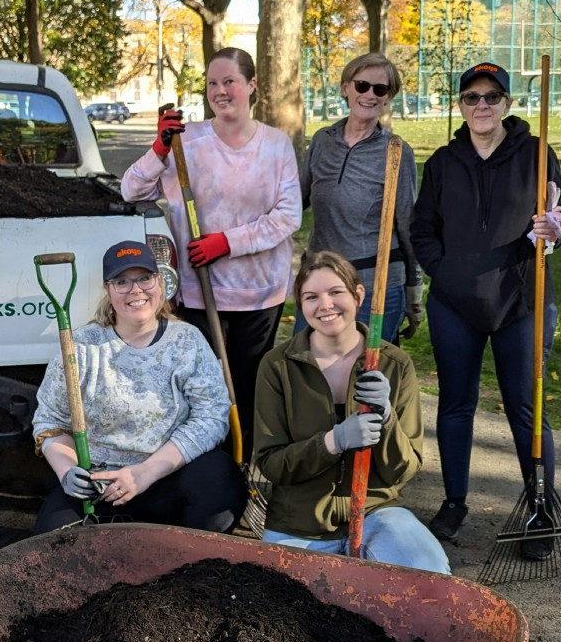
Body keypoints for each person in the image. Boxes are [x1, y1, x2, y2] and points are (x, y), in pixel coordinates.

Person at [409, 62, 561, 557]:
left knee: (527, 409)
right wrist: (447, 272)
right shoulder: (442, 162)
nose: (481, 105)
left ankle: (539, 506)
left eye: (491, 96)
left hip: (520, 301)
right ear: (460, 105)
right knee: (456, 405)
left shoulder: (537, 156)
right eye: (471, 97)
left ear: (507, 103)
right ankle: (455, 502)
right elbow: (422, 229)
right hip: (454, 305)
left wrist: (552, 229)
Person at [120, 48, 301, 454]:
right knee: (203, 390)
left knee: (248, 388)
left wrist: (227, 243)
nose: (220, 91)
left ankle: (247, 468)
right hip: (200, 292)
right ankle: (209, 469)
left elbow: (289, 216)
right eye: (212, 83)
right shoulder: (187, 143)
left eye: (230, 81)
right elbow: (132, 190)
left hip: (258, 294)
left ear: (252, 86)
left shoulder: (275, 145)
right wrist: (159, 150)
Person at [30, 241, 245, 534]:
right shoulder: (81, 347)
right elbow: (50, 423)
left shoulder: (186, 342)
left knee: (220, 476)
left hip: (166, 477)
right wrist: (67, 471)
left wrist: (146, 472)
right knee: (49, 543)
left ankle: (191, 565)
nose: (136, 290)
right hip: (100, 484)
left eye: (145, 278)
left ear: (159, 281)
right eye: (122, 281)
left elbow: (212, 417)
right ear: (108, 290)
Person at [254, 252, 447, 572]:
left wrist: (387, 420)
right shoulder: (278, 366)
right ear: (300, 305)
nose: (325, 305)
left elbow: (403, 470)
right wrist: (332, 442)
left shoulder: (393, 364)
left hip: (376, 511)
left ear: (358, 295)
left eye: (336, 293)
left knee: (428, 569)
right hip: (299, 522)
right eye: (311, 297)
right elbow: (272, 465)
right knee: (280, 604)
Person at [299, 52, 423, 343]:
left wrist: (413, 290)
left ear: (388, 96)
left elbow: (407, 224)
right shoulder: (322, 140)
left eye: (380, 89)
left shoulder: (395, 150)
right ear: (346, 88)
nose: (369, 94)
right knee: (309, 373)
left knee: (366, 381)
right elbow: (295, 200)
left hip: (373, 286)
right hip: (321, 282)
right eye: (362, 85)